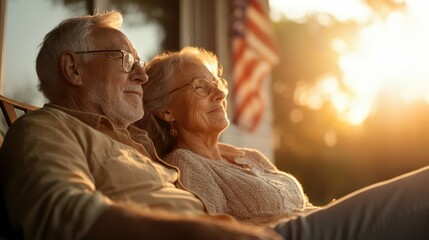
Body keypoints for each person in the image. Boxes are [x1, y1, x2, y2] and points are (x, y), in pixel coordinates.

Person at [0, 11, 282, 240]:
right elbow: (61, 213)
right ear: (74, 69)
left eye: (139, 62)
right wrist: (201, 231)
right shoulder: (45, 130)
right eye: (125, 60)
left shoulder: (134, 143)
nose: (142, 76)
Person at [137, 46, 429, 239]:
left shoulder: (248, 155)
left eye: (218, 84)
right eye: (201, 86)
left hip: (317, 222)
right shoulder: (186, 164)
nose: (219, 94)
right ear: (166, 111)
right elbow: (215, 233)